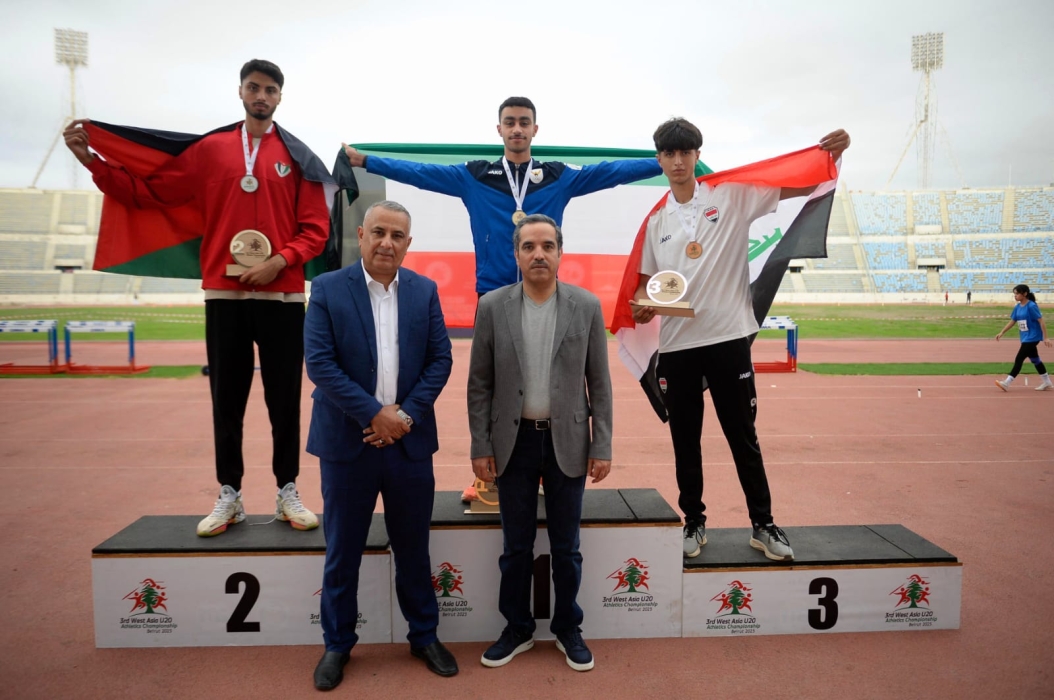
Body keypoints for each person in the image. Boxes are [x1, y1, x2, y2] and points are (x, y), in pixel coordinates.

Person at [63, 59, 329, 536]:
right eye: (254, 87)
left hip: (283, 297)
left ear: (280, 97)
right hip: (224, 294)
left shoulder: (298, 155)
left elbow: (315, 228)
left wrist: (280, 260)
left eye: (270, 89)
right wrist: (92, 162)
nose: (261, 96)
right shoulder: (210, 150)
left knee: (284, 403)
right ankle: (230, 493)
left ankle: (287, 490)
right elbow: (150, 194)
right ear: (241, 92)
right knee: (226, 400)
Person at [630, 118, 850, 562]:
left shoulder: (730, 195)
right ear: (659, 160)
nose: (678, 161)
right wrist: (642, 305)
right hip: (677, 346)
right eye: (669, 154)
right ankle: (693, 521)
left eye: (685, 152)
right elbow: (646, 285)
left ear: (697, 155)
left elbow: (797, 186)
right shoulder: (655, 221)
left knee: (742, 437)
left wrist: (831, 156)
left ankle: (763, 525)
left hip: (728, 339)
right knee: (685, 441)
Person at [304, 201, 457, 689]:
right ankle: (337, 644)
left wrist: (403, 417)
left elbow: (440, 360)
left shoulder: (424, 290)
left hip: (408, 444)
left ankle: (424, 635)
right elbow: (320, 363)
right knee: (342, 550)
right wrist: (375, 414)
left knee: (413, 548)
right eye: (379, 232)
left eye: (397, 235)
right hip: (348, 444)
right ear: (361, 235)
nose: (387, 243)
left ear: (408, 244)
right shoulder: (328, 288)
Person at [467, 214, 612, 672]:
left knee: (567, 547)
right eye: (529, 246)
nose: (538, 254)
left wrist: (602, 445)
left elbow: (599, 383)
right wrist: (480, 444)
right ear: (516, 254)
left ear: (560, 253)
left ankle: (568, 627)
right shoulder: (492, 306)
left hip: (569, 440)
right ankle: (518, 628)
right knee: (516, 546)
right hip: (513, 443)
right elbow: (479, 384)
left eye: (547, 245)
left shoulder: (586, 306)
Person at [342, 96, 662, 296]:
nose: (517, 129)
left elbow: (611, 172)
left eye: (524, 123)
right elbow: (419, 173)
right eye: (510, 122)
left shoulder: (558, 176)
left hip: (544, 290)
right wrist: (367, 161)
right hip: (492, 293)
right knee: (493, 378)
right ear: (499, 129)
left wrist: (661, 162)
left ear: (535, 129)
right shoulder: (474, 176)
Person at [994, 283, 1052, 391]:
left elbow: (1041, 321)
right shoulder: (1017, 307)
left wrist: (1046, 337)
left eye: (1017, 294)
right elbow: (1013, 321)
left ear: (1025, 294)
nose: (1015, 296)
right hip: (1025, 337)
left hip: (1033, 337)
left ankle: (1007, 382)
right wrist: (1002, 332)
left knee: (1019, 358)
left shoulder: (1031, 306)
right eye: (1014, 294)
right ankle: (1047, 382)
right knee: (1035, 359)